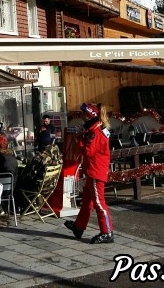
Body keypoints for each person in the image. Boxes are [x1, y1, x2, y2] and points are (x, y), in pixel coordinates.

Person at [64, 103, 114, 244]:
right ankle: (79, 227)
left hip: (95, 171)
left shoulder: (95, 132)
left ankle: (107, 232)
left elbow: (88, 152)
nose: (82, 119)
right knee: (87, 201)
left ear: (90, 116)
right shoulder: (98, 129)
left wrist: (80, 139)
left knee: (99, 202)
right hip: (95, 170)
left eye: (84, 116)